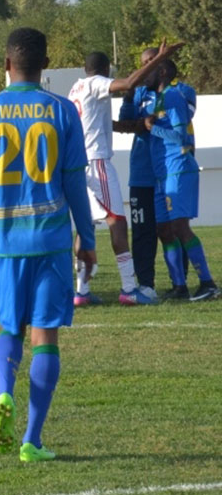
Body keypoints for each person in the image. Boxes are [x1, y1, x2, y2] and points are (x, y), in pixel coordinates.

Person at [0, 28, 96, 462]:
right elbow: (74, 181)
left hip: (0, 241)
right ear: (45, 65)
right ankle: (32, 442)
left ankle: (5, 393)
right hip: (50, 239)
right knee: (46, 337)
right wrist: (87, 239)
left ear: (6, 64)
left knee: (9, 329)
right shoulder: (61, 110)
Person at [67, 44, 180, 306]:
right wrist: (160, 58)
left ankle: (81, 292)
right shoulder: (97, 84)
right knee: (117, 222)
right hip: (97, 163)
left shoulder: (76, 88)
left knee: (85, 227)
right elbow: (130, 82)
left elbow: (105, 123)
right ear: (105, 71)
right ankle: (129, 288)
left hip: (78, 164)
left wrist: (135, 126)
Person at [143, 60, 219, 301]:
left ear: (162, 72)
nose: (145, 72)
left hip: (179, 168)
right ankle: (180, 286)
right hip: (162, 174)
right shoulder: (156, 99)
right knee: (164, 229)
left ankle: (208, 283)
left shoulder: (173, 97)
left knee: (179, 227)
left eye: (150, 67)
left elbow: (180, 137)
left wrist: (151, 128)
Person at [117, 47, 160, 296]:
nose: (148, 65)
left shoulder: (176, 92)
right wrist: (129, 93)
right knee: (142, 231)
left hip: (167, 174)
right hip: (142, 175)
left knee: (172, 230)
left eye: (153, 60)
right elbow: (124, 124)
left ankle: (181, 283)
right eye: (144, 62)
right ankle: (146, 284)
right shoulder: (138, 93)